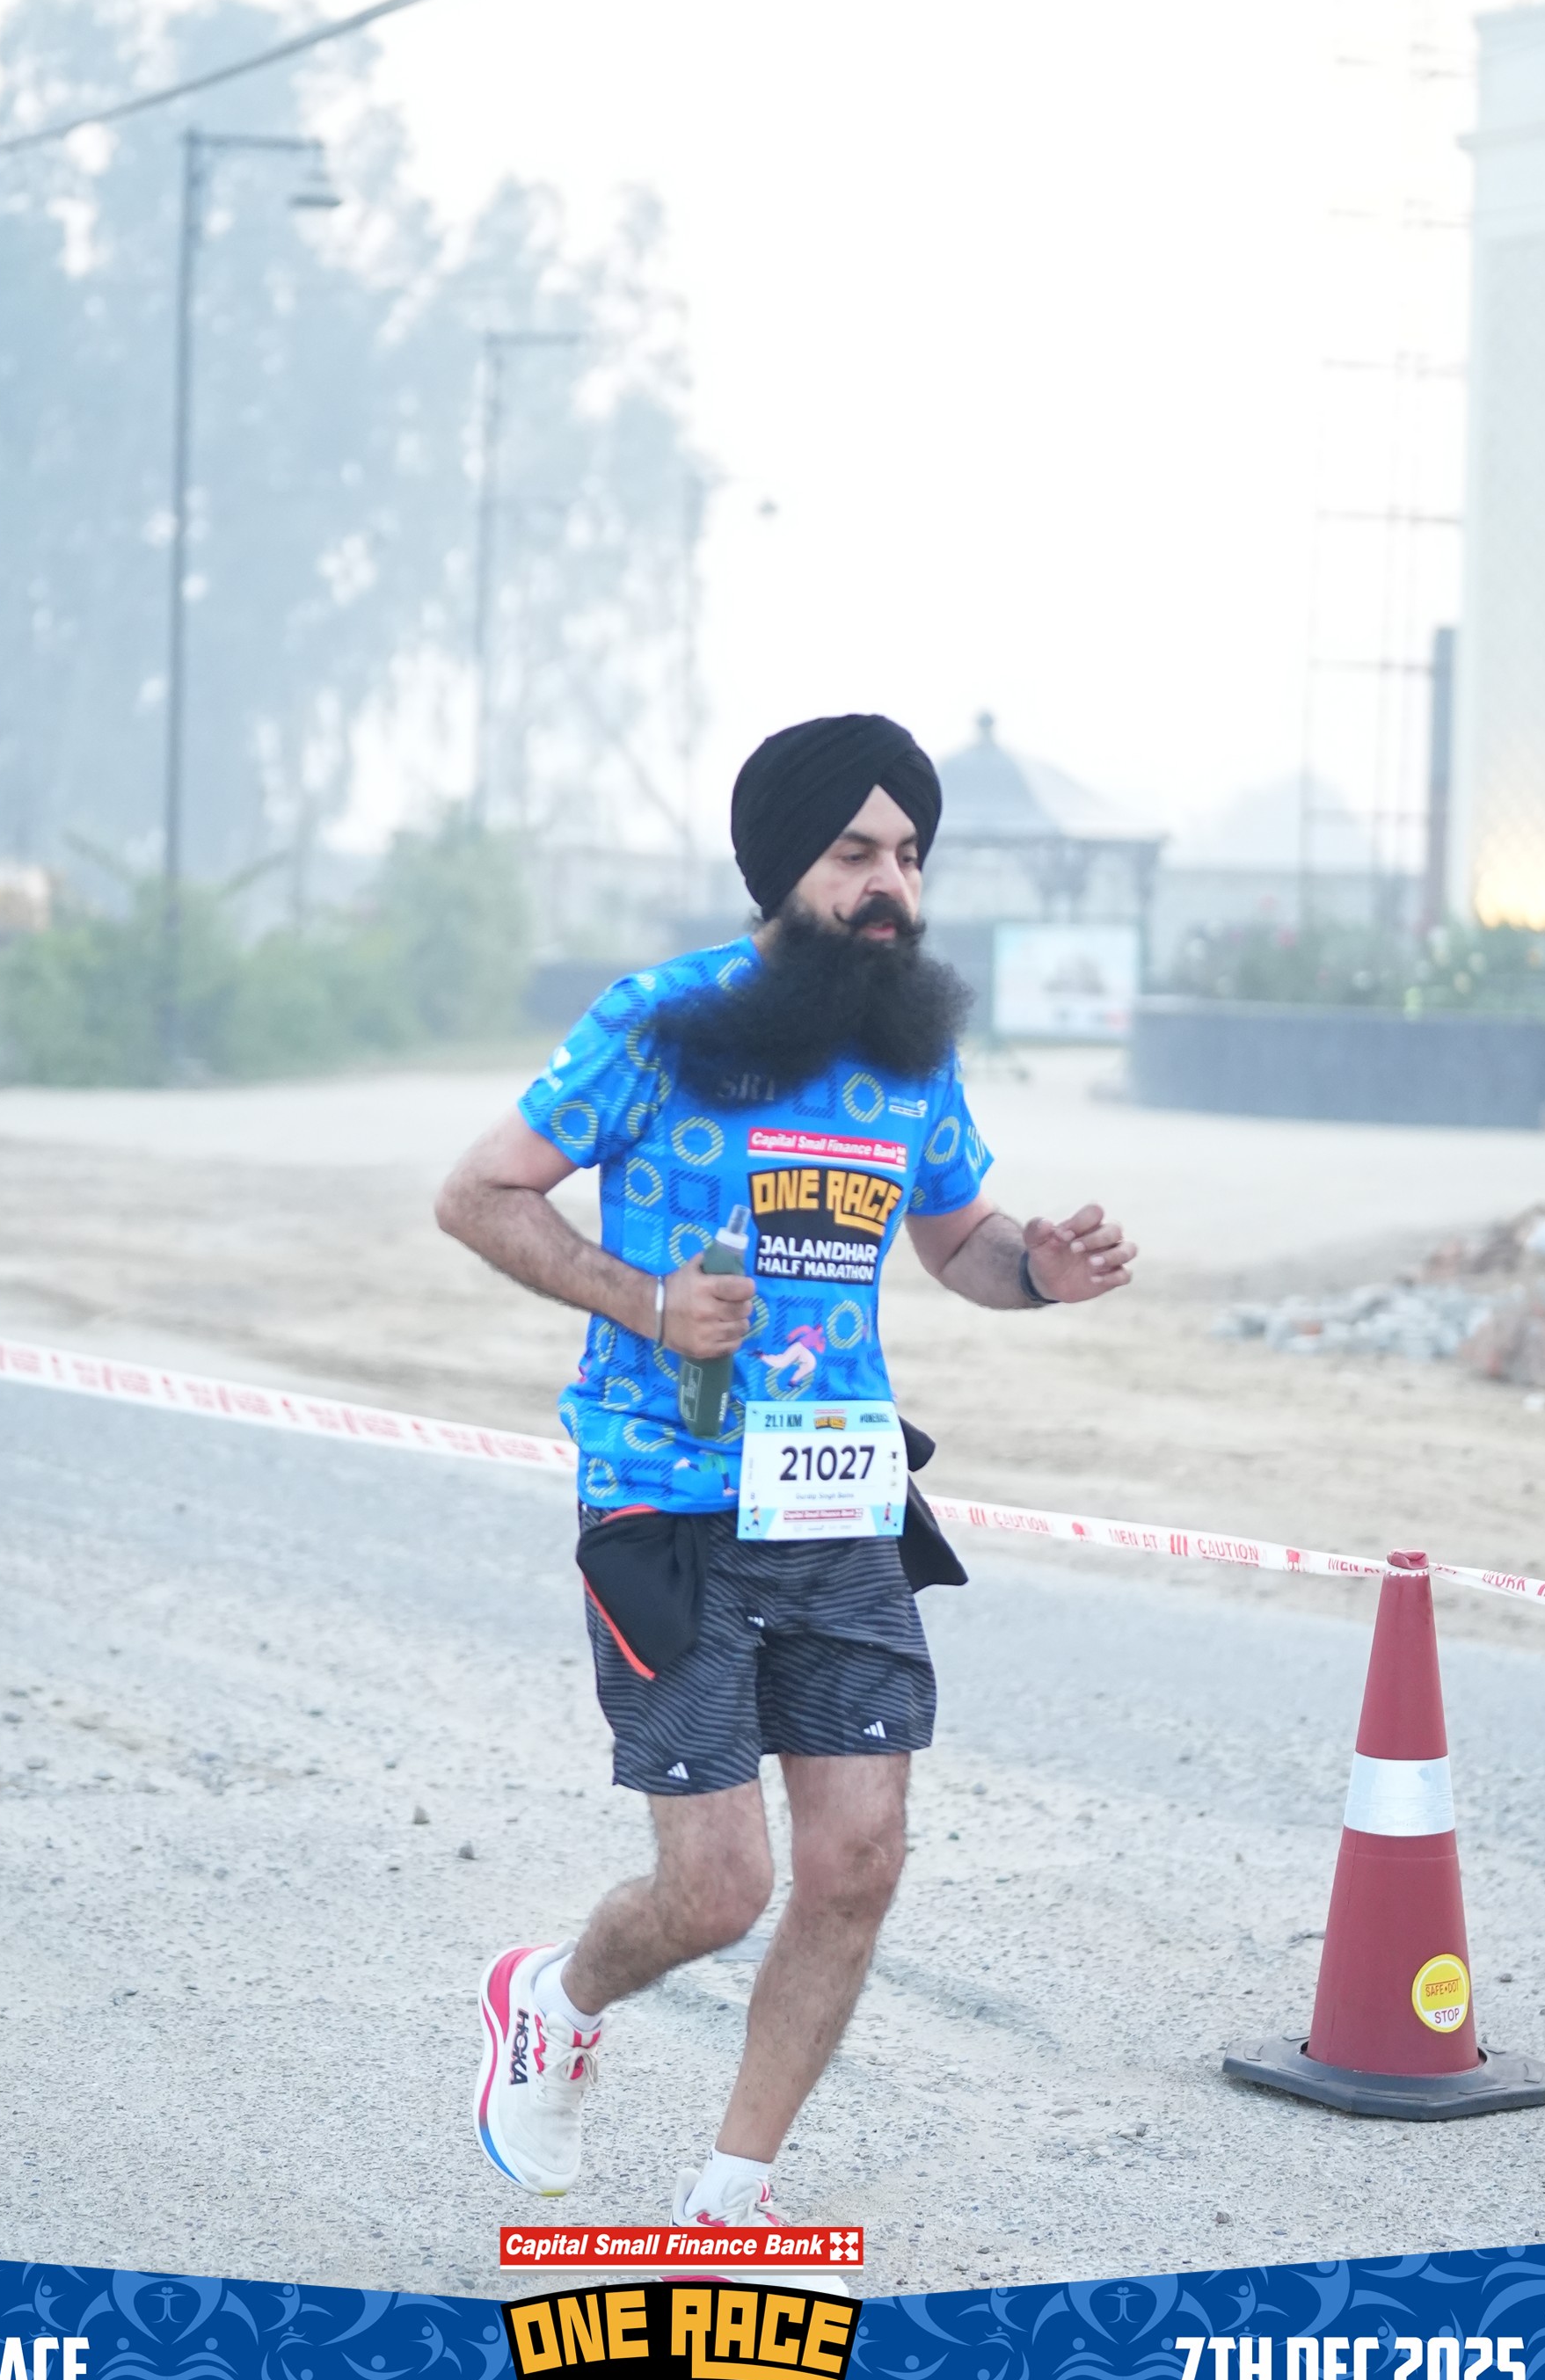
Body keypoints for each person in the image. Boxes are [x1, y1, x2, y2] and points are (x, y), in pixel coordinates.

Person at [435, 711, 1135, 2226]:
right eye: (856, 853)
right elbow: (478, 1194)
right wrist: (647, 1301)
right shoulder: (660, 1021)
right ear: (781, 866)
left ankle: (731, 2198)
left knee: (858, 1859)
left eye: (910, 856)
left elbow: (959, 1236)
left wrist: (1040, 1270)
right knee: (718, 1891)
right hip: (666, 1497)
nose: (891, 886)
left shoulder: (911, 1047)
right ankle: (554, 1999)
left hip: (840, 1497)